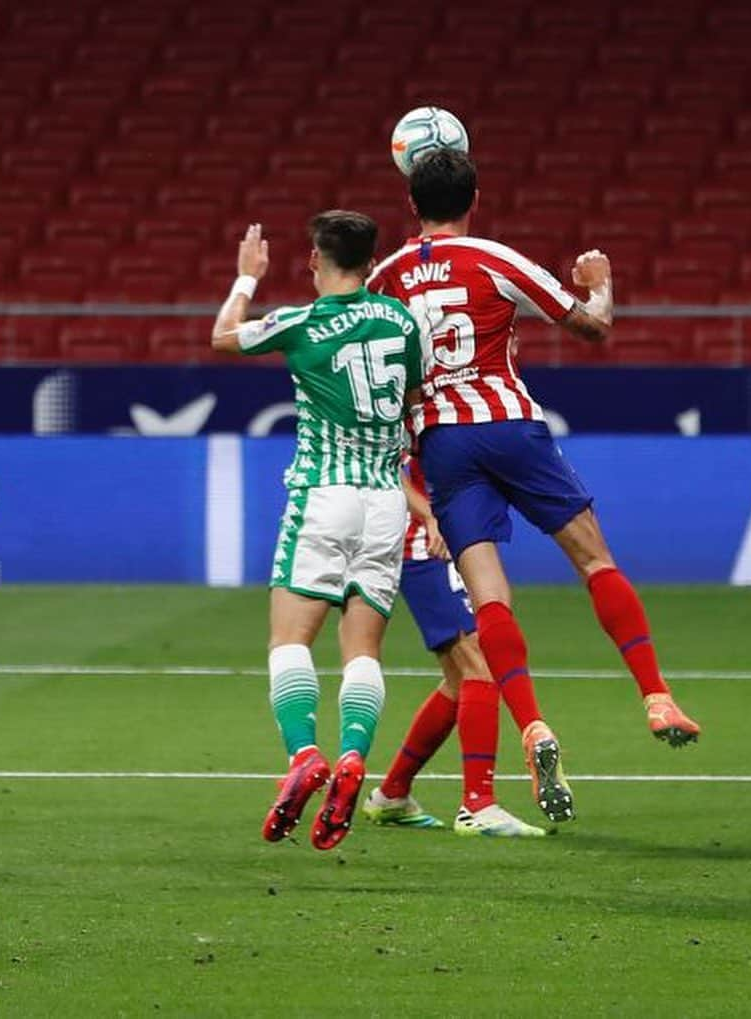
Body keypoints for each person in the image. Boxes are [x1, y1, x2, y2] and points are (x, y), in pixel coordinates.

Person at [368, 150, 701, 825]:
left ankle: (531, 724)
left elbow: (376, 375)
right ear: (476, 198)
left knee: (489, 598)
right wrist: (600, 283)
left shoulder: (384, 279)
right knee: (593, 559)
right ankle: (655, 693)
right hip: (512, 426)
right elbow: (589, 325)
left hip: (442, 443)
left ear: (411, 205)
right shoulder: (495, 257)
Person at [211, 213, 423, 851]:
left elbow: (224, 336)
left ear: (313, 259)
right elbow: (412, 396)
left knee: (289, 639)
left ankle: (305, 753)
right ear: (370, 259)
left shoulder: (299, 322)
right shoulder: (402, 321)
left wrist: (247, 278)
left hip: (323, 495)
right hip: (386, 502)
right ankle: (356, 755)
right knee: (363, 650)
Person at [362, 452, 545, 837]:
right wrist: (431, 516)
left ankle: (392, 794)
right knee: (480, 660)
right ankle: (478, 803)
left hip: (446, 540)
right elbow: (386, 468)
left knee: (461, 678)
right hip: (424, 546)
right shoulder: (410, 401)